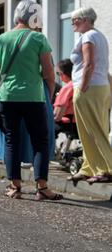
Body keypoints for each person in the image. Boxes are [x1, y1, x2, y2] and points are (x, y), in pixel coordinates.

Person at [0, 0, 63, 200]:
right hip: (33, 97)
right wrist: (46, 93)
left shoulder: (2, 38)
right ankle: (42, 187)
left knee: (12, 140)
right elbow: (49, 73)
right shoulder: (39, 38)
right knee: (40, 140)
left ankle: (15, 186)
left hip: (7, 96)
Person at [69, 7, 112, 184]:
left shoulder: (88, 37)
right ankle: (88, 167)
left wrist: (82, 87)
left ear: (85, 19)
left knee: (93, 130)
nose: (72, 23)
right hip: (100, 87)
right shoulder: (99, 35)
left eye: (75, 19)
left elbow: (89, 64)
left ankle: (106, 168)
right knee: (91, 130)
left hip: (89, 88)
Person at [54, 59, 75, 132]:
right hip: (81, 123)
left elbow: (57, 116)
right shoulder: (81, 86)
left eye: (58, 73)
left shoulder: (67, 88)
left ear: (63, 73)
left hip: (70, 124)